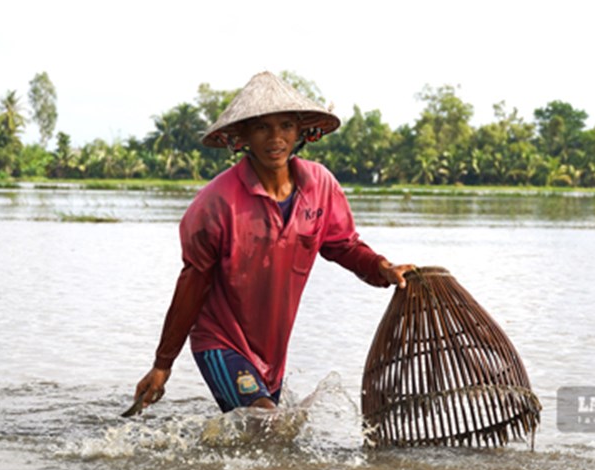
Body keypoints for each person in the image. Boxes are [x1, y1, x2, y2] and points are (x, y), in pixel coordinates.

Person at [132, 71, 413, 413]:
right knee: (267, 422)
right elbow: (193, 282)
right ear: (244, 135)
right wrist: (163, 363)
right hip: (219, 339)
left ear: (300, 132)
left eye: (285, 126)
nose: (275, 138)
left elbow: (343, 245)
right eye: (262, 127)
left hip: (272, 352)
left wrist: (382, 269)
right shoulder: (216, 203)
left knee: (263, 439)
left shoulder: (320, 185)